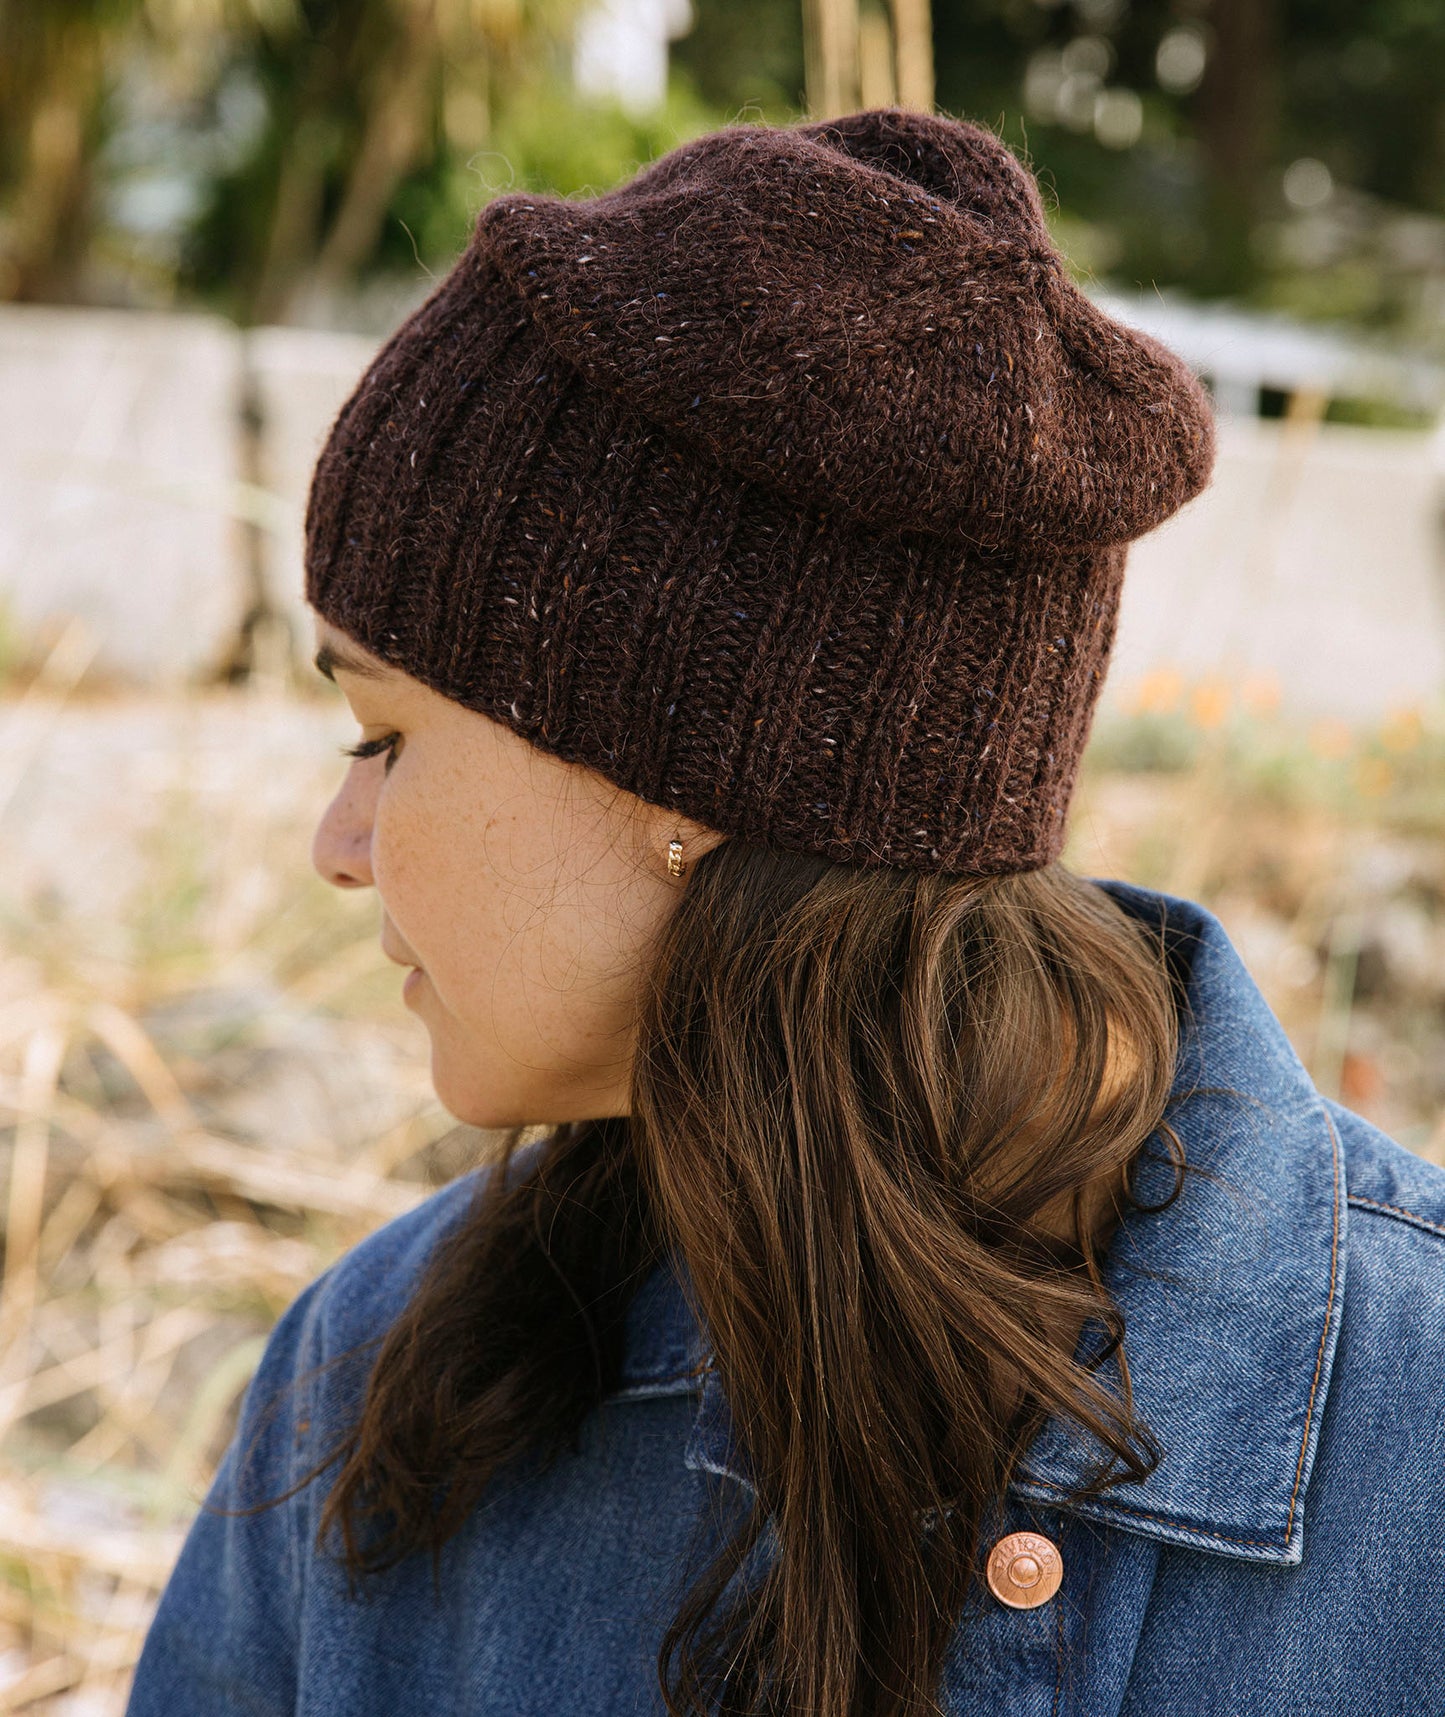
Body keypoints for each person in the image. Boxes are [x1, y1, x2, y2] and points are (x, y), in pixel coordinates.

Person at [126, 107, 1445, 1717]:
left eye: (383, 733)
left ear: (689, 774)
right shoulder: (369, 1389)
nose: (339, 844)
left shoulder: (1419, 1426)